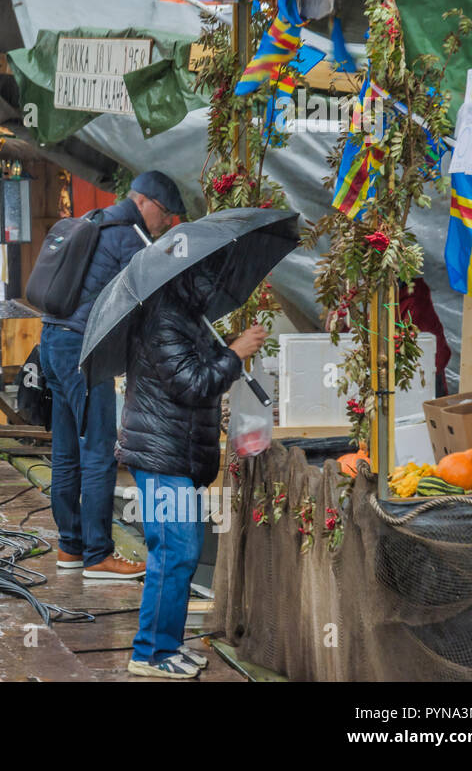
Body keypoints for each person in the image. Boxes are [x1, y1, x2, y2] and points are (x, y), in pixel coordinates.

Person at [118, 254, 267, 679]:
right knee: (173, 552)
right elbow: (193, 383)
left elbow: (199, 370)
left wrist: (228, 349)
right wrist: (234, 354)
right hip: (163, 455)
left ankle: (167, 645)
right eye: (211, 279)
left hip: (177, 453)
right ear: (191, 279)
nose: (217, 288)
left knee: (181, 552)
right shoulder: (165, 319)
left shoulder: (187, 315)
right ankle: (149, 653)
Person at [38, 170, 186, 582]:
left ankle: (71, 546)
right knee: (100, 450)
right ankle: (99, 555)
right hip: (83, 353)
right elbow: (146, 303)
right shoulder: (129, 238)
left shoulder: (95, 219)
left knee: (67, 450)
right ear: (145, 203)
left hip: (51, 339)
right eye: (166, 214)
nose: (168, 223)